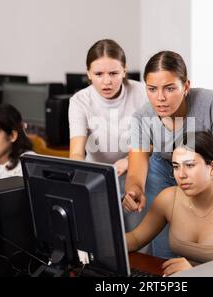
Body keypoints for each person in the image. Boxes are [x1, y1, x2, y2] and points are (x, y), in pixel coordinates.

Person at [125, 50, 213, 258]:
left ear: (186, 86)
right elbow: (136, 167)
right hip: (163, 170)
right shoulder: (142, 117)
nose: (160, 98)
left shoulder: (211, 105)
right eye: (152, 89)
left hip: (206, 170)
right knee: (165, 249)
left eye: (170, 88)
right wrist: (134, 190)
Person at [124, 131, 213, 275]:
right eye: (176, 166)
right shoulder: (168, 198)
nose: (181, 175)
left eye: (190, 165)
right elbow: (135, 239)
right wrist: (102, 242)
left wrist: (198, 273)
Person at [68, 39, 148, 232]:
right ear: (88, 74)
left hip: (138, 171)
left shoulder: (142, 93)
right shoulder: (80, 100)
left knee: (139, 235)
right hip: (98, 178)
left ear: (124, 71)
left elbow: (157, 140)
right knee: (104, 236)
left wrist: (129, 160)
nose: (107, 81)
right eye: (98, 74)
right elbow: (77, 153)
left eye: (114, 73)